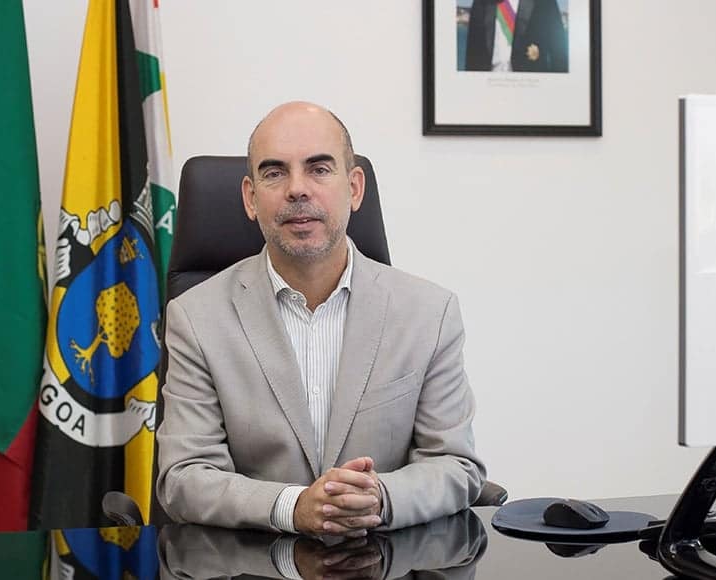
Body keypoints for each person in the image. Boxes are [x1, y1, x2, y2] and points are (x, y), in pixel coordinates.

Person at [156, 102, 485, 536]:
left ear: (354, 189)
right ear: (251, 199)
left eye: (319, 169)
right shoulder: (195, 318)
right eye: (274, 172)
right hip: (252, 565)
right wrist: (292, 506)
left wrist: (379, 497)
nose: (297, 189)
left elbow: (456, 465)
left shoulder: (429, 313)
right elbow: (184, 477)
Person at [464, 0, 568, 73]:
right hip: (490, 92)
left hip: (530, 92)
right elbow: (472, 57)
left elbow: (559, 56)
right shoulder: (481, 2)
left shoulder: (544, 3)